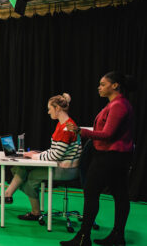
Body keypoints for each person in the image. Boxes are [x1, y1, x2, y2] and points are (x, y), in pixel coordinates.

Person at [61, 72, 135, 246]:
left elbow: (107, 134)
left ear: (115, 86)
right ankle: (117, 236)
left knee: (92, 193)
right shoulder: (119, 104)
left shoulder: (118, 105)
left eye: (102, 84)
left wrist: (80, 131)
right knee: (120, 195)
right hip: (118, 157)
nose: (99, 87)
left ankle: (83, 238)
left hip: (109, 157)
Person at [0, 94, 82, 221]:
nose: (48, 112)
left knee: (30, 177)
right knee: (21, 167)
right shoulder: (63, 124)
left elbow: (56, 155)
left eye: (50, 108)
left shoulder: (65, 127)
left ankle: (35, 212)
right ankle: (7, 195)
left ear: (58, 108)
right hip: (61, 165)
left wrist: (35, 156)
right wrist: (36, 154)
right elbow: (56, 151)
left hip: (66, 169)